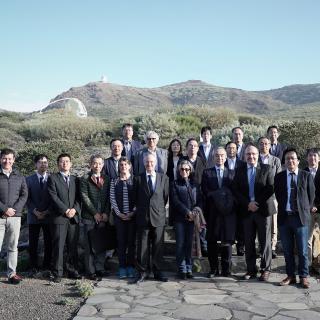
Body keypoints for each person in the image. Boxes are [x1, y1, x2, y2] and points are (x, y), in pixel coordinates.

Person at [232, 145, 275, 281]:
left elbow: (270, 188)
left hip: (263, 210)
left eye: (253, 154)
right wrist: (248, 204)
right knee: (248, 242)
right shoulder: (239, 170)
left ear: (258, 154)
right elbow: (236, 190)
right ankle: (251, 269)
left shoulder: (267, 168)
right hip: (247, 211)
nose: (251, 156)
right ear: (244, 156)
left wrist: (256, 203)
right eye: (248, 154)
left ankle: (265, 269)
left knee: (265, 242)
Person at [274, 148, 315, 289]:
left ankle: (304, 276)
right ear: (284, 162)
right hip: (285, 218)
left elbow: (311, 196)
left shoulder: (306, 175)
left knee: (303, 250)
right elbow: (279, 196)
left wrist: (303, 209)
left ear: (298, 161)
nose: (290, 161)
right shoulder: (279, 177)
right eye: (287, 159)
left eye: (293, 158)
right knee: (287, 249)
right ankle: (290, 276)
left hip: (301, 219)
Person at [133, 153, 169, 283]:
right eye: (147, 162)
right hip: (143, 217)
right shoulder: (138, 179)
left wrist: (156, 209)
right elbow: (135, 198)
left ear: (156, 164)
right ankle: (143, 272)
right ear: (144, 163)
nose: (149, 164)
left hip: (158, 217)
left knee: (158, 247)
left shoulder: (163, 178)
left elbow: (164, 198)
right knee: (142, 246)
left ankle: (157, 272)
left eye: (152, 162)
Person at [202, 147, 236, 277]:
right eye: (217, 155)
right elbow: (205, 191)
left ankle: (226, 270)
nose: (219, 158)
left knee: (227, 241)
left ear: (226, 157)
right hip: (212, 212)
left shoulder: (232, 173)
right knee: (211, 241)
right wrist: (219, 196)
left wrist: (225, 201)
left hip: (228, 213)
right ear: (213, 157)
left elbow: (233, 192)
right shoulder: (207, 173)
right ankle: (213, 269)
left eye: (222, 155)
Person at [47, 153, 81, 282]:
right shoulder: (53, 178)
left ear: (71, 164)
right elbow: (53, 197)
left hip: (73, 218)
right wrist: (65, 210)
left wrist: (74, 210)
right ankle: (57, 273)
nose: (65, 163)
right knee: (59, 246)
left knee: (72, 246)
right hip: (59, 217)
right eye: (62, 161)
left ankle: (72, 270)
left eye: (67, 161)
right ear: (58, 164)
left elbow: (79, 197)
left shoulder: (75, 179)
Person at [170, 160, 202, 279]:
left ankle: (189, 267)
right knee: (180, 244)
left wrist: (195, 211)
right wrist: (187, 212)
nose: (184, 171)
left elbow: (199, 200)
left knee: (189, 244)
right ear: (179, 171)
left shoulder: (195, 184)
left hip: (192, 219)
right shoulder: (174, 184)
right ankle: (181, 268)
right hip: (180, 218)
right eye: (182, 169)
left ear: (190, 171)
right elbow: (175, 201)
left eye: (187, 169)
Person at [80, 154, 110, 281]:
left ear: (103, 165)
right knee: (89, 245)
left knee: (101, 244)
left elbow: (109, 197)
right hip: (89, 217)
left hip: (103, 217)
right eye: (95, 163)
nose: (97, 166)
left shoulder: (107, 178)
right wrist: (95, 213)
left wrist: (105, 213)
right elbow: (84, 197)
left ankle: (100, 268)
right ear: (90, 164)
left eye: (99, 163)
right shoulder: (84, 179)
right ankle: (90, 270)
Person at [0, 148, 28, 284]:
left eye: (10, 158)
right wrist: (4, 209)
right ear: (1, 159)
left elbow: (24, 195)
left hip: (15, 217)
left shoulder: (19, 176)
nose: (7, 161)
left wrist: (14, 210)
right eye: (4, 158)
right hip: (0, 217)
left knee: (12, 247)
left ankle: (12, 274)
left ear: (14, 160)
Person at [110, 157, 136, 279]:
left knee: (131, 243)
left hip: (132, 217)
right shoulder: (114, 181)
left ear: (129, 166)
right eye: (121, 165)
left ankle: (131, 266)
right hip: (119, 217)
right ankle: (122, 267)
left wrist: (132, 212)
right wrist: (119, 213)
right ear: (118, 167)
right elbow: (112, 199)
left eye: (125, 164)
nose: (123, 166)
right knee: (121, 242)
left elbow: (139, 198)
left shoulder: (135, 180)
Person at [26, 154, 52, 274]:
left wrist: (47, 211)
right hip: (33, 216)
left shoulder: (52, 178)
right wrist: (34, 211)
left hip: (48, 216)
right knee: (33, 243)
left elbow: (54, 197)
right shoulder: (28, 179)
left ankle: (47, 266)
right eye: (40, 162)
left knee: (48, 242)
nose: (43, 164)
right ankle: (33, 267)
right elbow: (27, 198)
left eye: (45, 162)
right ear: (35, 164)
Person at [181, 138, 207, 255]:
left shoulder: (202, 161)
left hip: (199, 195)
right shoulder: (183, 160)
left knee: (201, 220)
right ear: (186, 148)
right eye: (190, 145)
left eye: (195, 146)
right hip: (185, 195)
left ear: (197, 148)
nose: (192, 148)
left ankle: (203, 245)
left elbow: (205, 177)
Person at [258, 136, 282, 258]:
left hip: (272, 196)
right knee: (259, 223)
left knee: (273, 224)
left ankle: (272, 247)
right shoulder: (255, 159)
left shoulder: (276, 160)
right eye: (261, 143)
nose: (264, 146)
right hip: (257, 197)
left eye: (266, 143)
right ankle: (261, 246)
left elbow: (278, 178)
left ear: (270, 145)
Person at [225, 141, 246, 256]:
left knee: (241, 224)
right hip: (227, 199)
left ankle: (241, 246)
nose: (231, 150)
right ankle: (228, 246)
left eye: (233, 148)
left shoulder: (242, 164)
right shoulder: (222, 162)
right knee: (229, 223)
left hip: (240, 198)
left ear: (237, 150)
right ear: (226, 149)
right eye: (229, 148)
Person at [304, 148, 320, 267]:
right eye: (310, 155)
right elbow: (301, 193)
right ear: (306, 158)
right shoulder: (302, 172)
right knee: (307, 239)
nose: (312, 158)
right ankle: (308, 265)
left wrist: (317, 206)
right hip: (307, 210)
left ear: (319, 158)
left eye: (315, 156)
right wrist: (310, 206)